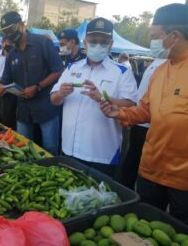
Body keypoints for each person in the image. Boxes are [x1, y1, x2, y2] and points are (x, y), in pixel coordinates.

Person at [100, 3, 188, 224]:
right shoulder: (159, 71)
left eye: (155, 36)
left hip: (183, 178)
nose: (153, 42)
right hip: (150, 169)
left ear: (175, 36)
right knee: (145, 224)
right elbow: (145, 111)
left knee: (178, 230)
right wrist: (119, 113)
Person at [50, 17, 137, 177]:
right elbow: (54, 100)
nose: (98, 45)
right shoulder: (71, 68)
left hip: (101, 154)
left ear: (111, 44)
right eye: (93, 40)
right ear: (85, 42)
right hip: (69, 148)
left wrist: (102, 98)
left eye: (104, 42)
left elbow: (131, 106)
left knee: (98, 199)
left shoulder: (122, 72)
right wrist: (61, 93)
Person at [0, 12, 64, 155]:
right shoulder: (12, 54)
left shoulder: (42, 43)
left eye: (11, 29)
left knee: (50, 148)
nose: (9, 34)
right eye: (5, 32)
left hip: (45, 106)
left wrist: (38, 86)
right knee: (22, 147)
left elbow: (58, 70)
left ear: (21, 25)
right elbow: (3, 84)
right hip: (23, 109)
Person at [115, 58, 166, 189]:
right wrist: (124, 114)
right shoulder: (159, 66)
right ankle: (126, 194)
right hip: (139, 122)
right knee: (132, 162)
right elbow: (146, 105)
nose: (154, 40)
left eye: (156, 36)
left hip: (154, 129)